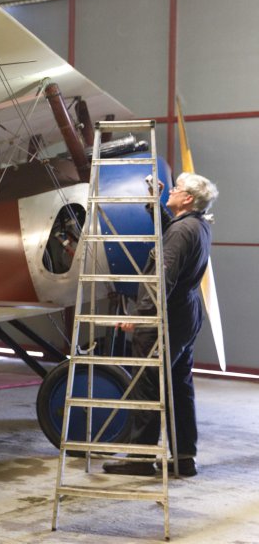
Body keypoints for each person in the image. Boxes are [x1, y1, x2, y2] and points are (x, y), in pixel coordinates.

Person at [103, 172, 219, 477]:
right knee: (180, 386)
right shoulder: (197, 225)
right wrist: (156, 205)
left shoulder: (183, 232)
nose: (172, 191)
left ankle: (140, 459)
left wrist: (142, 320)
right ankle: (184, 458)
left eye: (177, 189)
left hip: (167, 319)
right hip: (186, 316)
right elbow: (173, 237)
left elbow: (162, 279)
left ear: (188, 199)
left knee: (147, 384)